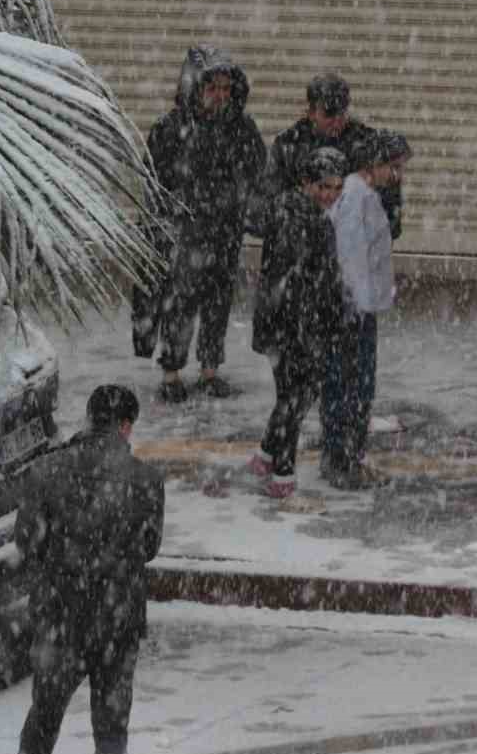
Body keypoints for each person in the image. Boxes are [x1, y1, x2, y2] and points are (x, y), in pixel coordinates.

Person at [0, 384, 165, 754]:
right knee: (111, 731)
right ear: (126, 426)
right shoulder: (146, 479)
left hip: (61, 620)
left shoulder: (47, 470)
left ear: (88, 418)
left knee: (45, 713)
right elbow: (149, 547)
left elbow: (27, 540)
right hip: (118, 624)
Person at [133, 44, 265, 403]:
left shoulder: (242, 130)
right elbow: (153, 183)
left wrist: (247, 207)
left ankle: (210, 370)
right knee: (179, 303)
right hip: (185, 235)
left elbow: (256, 176)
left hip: (225, 232)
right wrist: (174, 216)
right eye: (212, 88)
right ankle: (172, 372)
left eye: (226, 88)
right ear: (194, 87)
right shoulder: (170, 128)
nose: (220, 96)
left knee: (218, 302)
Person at [246, 147, 347, 500]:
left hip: (291, 324)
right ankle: (282, 475)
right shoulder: (298, 218)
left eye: (337, 188)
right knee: (295, 397)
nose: (330, 195)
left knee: (294, 396)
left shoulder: (302, 211)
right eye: (324, 186)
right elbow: (295, 282)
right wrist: (310, 329)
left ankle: (266, 455)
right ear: (306, 183)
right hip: (293, 327)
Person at [320, 130, 411, 489]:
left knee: (354, 389)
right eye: (395, 166)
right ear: (376, 163)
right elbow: (351, 256)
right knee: (350, 390)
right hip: (351, 310)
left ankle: (348, 458)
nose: (398, 175)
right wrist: (357, 305)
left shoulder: (364, 194)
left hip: (358, 307)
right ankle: (344, 463)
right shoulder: (356, 196)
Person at [256, 73, 403, 241]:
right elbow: (263, 210)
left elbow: (390, 217)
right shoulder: (288, 145)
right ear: (311, 112)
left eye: (342, 113)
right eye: (329, 114)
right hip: (297, 253)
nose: (337, 121)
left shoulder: (368, 146)